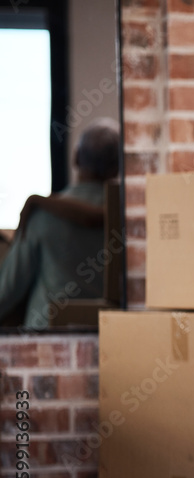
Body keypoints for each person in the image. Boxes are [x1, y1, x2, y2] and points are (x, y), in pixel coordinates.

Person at [0, 118, 117, 329]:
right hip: (111, 335)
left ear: (75, 158)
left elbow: (7, 289)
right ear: (118, 167)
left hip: (46, 338)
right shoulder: (128, 218)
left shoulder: (42, 216)